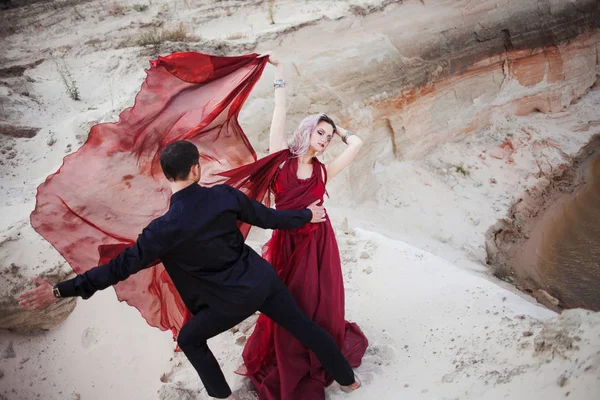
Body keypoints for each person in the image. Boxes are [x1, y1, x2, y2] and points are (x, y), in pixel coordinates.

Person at [19, 140, 361, 400]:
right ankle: (348, 380)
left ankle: (222, 396)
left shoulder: (160, 231)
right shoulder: (225, 196)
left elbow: (116, 269)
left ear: (166, 177)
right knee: (304, 326)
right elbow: (270, 219)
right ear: (195, 170)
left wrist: (58, 290)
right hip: (261, 282)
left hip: (225, 304)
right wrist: (306, 215)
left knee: (189, 339)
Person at [231, 54, 369, 400]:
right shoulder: (281, 159)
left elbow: (357, 144)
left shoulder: (324, 171)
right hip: (288, 243)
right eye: (319, 132)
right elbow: (280, 111)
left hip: (320, 243)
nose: (323, 139)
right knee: (292, 302)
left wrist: (340, 131)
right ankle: (294, 354)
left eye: (327, 135)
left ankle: (323, 354)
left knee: (320, 302)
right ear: (306, 131)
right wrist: (278, 73)